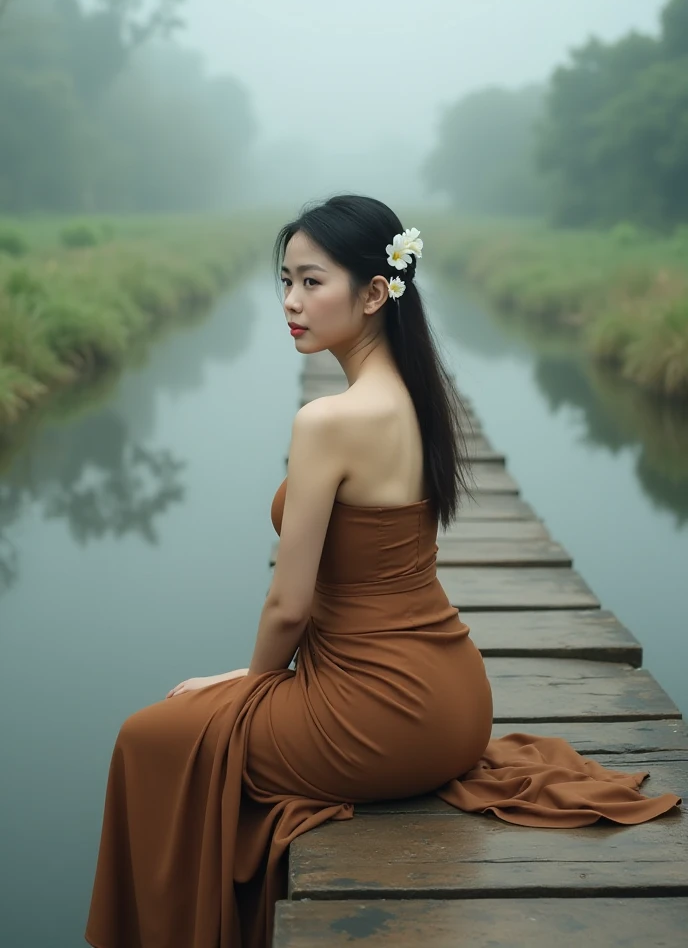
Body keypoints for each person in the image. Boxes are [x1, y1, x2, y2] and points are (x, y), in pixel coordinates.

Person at [84, 194, 681, 948]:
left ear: (374, 293)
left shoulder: (328, 421)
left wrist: (248, 683)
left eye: (311, 282)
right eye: (285, 281)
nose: (291, 303)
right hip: (458, 707)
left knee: (150, 738)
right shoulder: (416, 396)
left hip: (382, 715)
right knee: (197, 736)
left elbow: (288, 608)